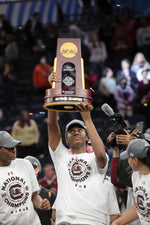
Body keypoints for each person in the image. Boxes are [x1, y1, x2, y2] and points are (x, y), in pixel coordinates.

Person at [47, 71, 108, 225]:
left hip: (94, 220)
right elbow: (52, 126)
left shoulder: (94, 157)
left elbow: (101, 156)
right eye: (71, 131)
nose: (75, 133)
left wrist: (87, 120)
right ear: (66, 139)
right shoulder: (61, 156)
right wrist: (54, 90)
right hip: (66, 221)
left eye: (79, 130)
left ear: (87, 137)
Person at [0, 131, 50, 225]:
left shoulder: (25, 164)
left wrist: (41, 203)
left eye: (14, 146)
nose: (14, 150)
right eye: (9, 148)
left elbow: (34, 196)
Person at [112, 138, 150, 225]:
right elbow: (137, 207)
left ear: (135, 161)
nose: (127, 160)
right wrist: (118, 222)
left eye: (128, 157)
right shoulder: (135, 175)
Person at [25, 156, 56, 225]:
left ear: (36, 170)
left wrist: (49, 209)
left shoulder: (50, 195)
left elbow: (56, 219)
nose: (24, 171)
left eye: (28, 168)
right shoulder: (16, 196)